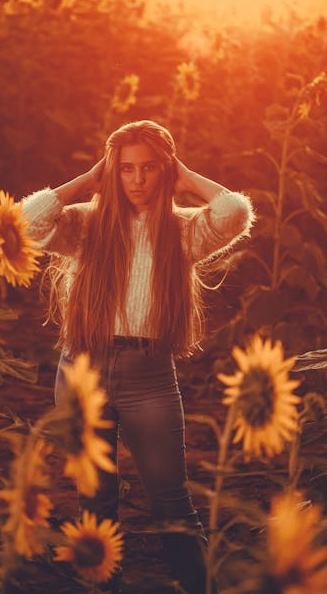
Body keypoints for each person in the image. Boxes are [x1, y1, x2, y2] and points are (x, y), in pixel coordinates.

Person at [21, 120, 255, 594]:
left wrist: (187, 178)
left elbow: (233, 213)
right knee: (94, 498)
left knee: (171, 498)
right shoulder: (85, 223)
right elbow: (28, 223)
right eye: (126, 169)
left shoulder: (184, 229)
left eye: (150, 168)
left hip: (149, 377)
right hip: (81, 371)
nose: (138, 180)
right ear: (113, 171)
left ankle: (198, 584)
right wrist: (88, 179)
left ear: (165, 170)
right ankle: (100, 585)